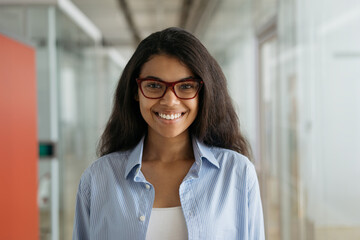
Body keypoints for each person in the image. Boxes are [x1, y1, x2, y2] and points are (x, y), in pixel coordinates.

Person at [73, 27, 265, 240]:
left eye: (186, 86)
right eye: (154, 85)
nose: (170, 101)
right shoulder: (98, 179)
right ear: (136, 92)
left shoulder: (237, 173)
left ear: (204, 93)